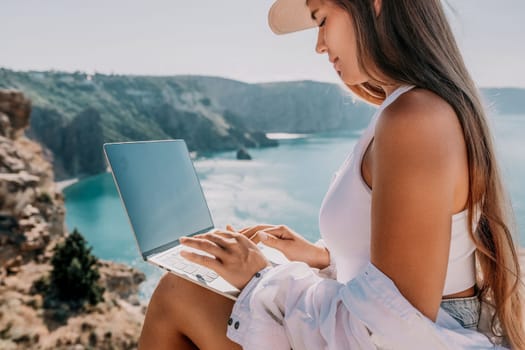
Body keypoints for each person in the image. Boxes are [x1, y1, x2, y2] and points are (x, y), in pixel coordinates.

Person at [138, 0, 525, 349]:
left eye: (321, 19)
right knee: (185, 288)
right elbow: (414, 270)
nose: (319, 45)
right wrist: (324, 257)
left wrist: (262, 277)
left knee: (179, 293)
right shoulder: (416, 108)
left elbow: (393, 327)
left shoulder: (415, 118)